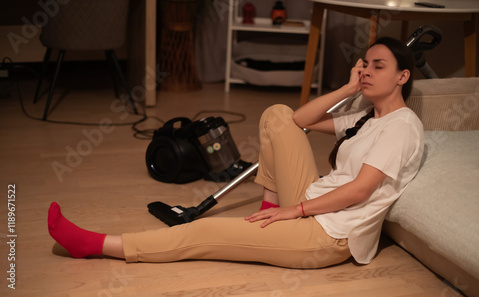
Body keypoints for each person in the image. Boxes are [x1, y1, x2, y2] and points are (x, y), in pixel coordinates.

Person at [48, 37, 424, 268]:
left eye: (378, 67)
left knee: (205, 233)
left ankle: (97, 246)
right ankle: (267, 211)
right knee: (277, 115)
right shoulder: (365, 116)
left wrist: (297, 210)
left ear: (402, 77)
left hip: (329, 235)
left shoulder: (402, 126)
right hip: (314, 200)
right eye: (365, 66)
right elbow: (298, 119)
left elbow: (360, 190)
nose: (367, 72)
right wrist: (346, 89)